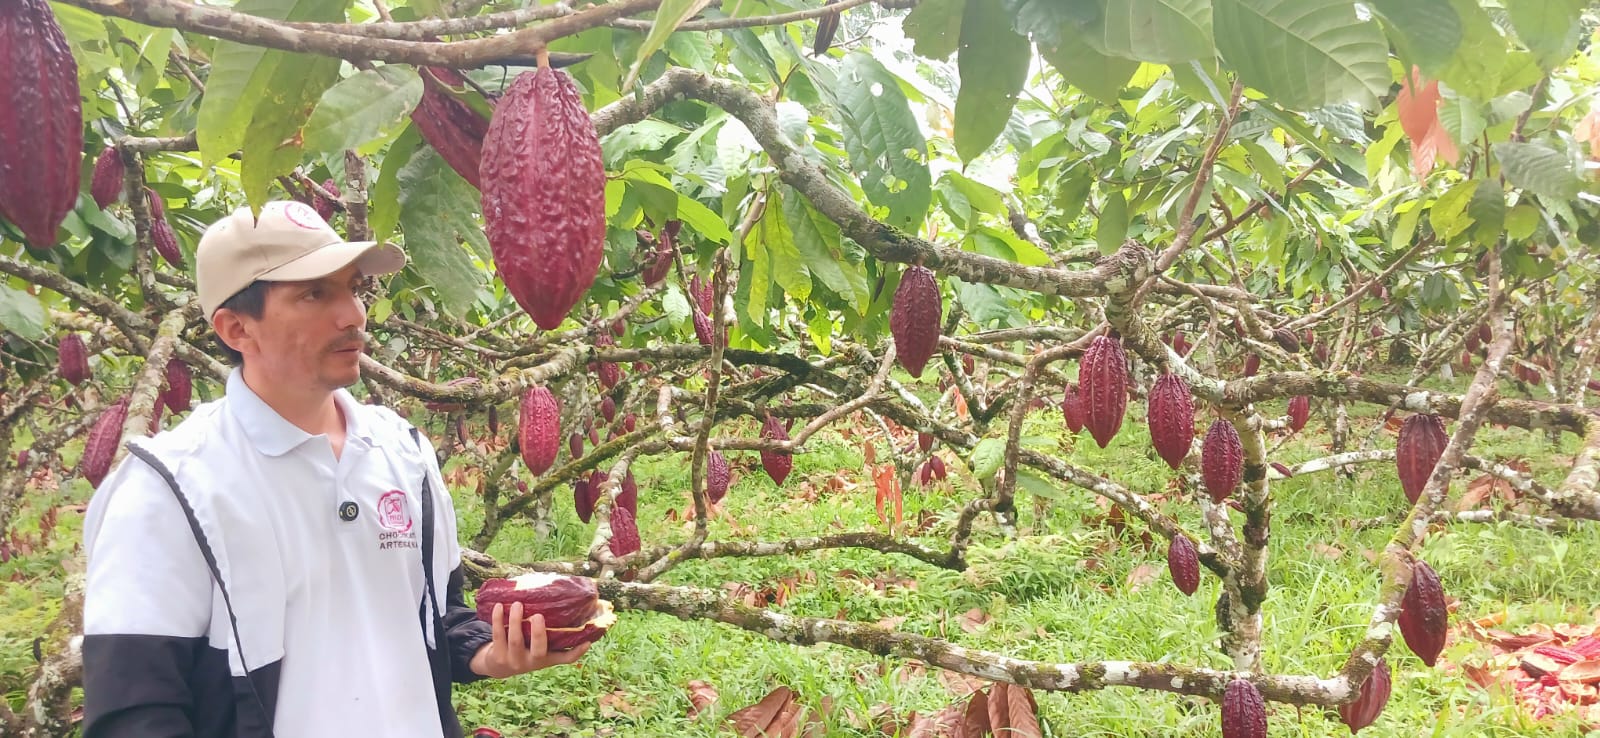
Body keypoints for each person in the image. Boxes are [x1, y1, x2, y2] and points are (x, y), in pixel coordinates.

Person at [79, 200, 587, 737]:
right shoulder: (169, 489)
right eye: (315, 293)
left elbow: (441, 614)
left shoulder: (404, 452)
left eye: (352, 289)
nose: (354, 315)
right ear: (235, 329)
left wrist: (487, 651)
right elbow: (133, 713)